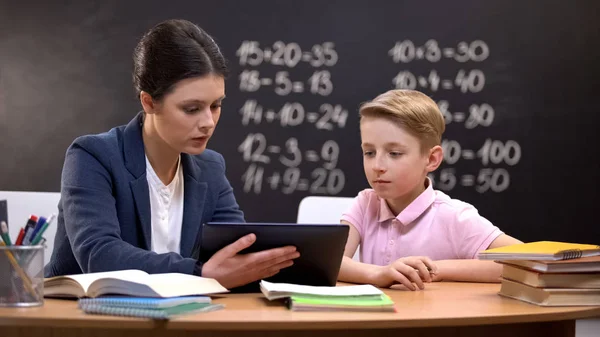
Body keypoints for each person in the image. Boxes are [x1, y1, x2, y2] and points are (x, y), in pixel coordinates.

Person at [45, 19, 299, 289]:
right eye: (191, 109)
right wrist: (200, 273)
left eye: (215, 105)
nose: (208, 122)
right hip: (84, 319)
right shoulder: (92, 156)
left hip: (181, 318)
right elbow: (100, 255)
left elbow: (235, 250)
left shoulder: (211, 168)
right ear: (149, 102)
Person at [338, 89, 522, 290]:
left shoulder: (455, 216)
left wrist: (436, 269)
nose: (377, 165)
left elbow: (523, 261)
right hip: (378, 320)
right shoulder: (365, 203)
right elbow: (333, 262)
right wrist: (379, 274)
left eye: (395, 153)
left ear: (432, 159)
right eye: (369, 152)